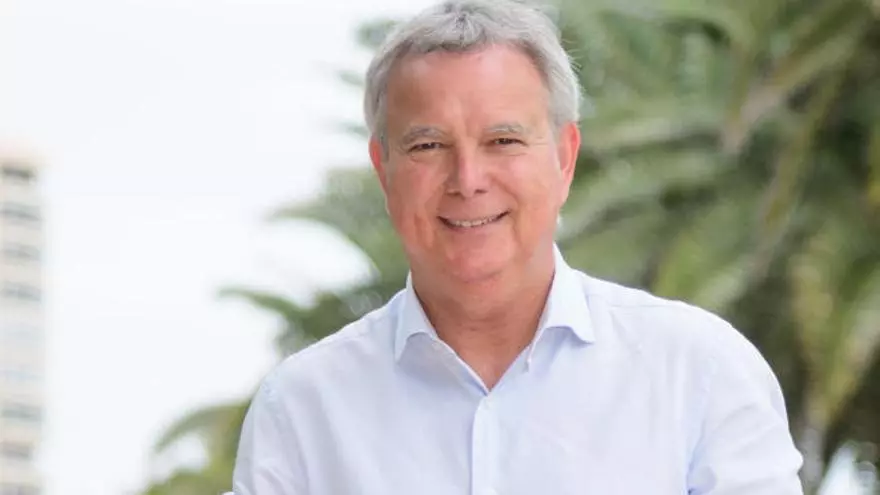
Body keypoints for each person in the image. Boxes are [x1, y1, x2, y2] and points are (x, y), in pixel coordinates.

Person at [228, 0, 805, 493]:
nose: (468, 179)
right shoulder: (302, 410)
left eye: (503, 140)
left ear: (565, 158)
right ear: (384, 171)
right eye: (428, 145)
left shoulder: (700, 374)